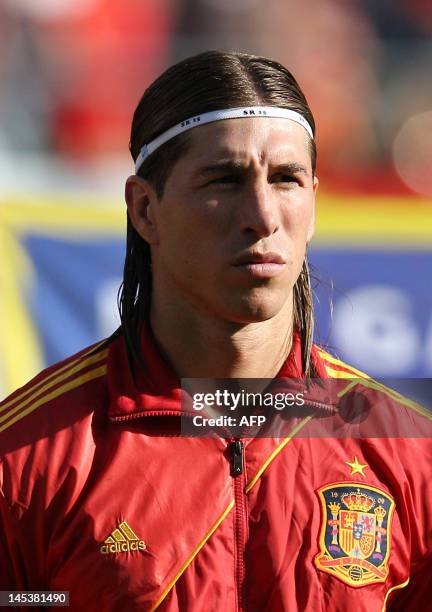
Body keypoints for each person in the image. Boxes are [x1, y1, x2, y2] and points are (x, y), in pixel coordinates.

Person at [0, 50, 431, 612]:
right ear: (144, 209)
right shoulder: (26, 461)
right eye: (224, 180)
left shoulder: (411, 458)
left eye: (286, 179)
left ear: (315, 204)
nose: (262, 214)